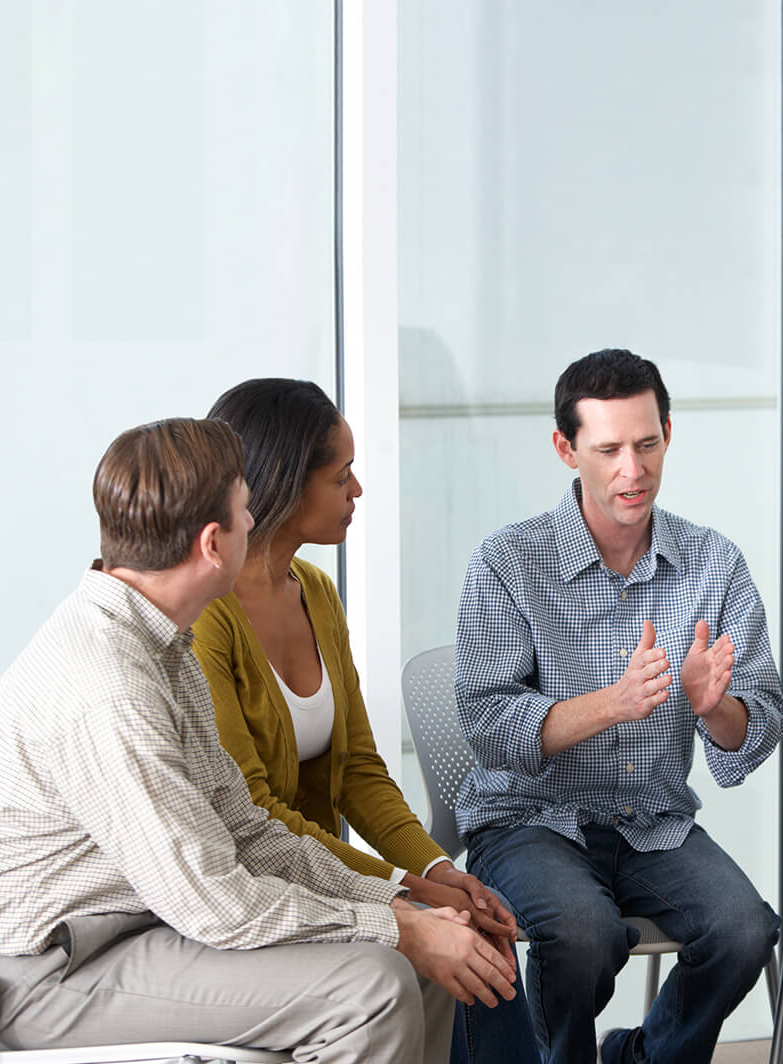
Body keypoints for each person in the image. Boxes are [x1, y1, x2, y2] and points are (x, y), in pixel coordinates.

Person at [0, 418, 516, 1064]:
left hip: (148, 930)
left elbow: (247, 831)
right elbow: (214, 901)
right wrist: (399, 926)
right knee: (375, 987)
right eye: (246, 513)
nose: (256, 524)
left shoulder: (163, 643)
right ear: (213, 544)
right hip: (56, 973)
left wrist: (400, 903)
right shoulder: (109, 689)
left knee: (424, 962)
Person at [193, 378, 537, 1064]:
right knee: (454, 935)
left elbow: (362, 775)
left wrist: (441, 868)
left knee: (476, 935)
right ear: (286, 484)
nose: (359, 492)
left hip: (328, 878)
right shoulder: (208, 618)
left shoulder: (316, 592)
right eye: (341, 476)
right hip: (262, 896)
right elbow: (254, 812)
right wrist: (409, 889)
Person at [455, 349, 783, 1064]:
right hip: (529, 819)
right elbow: (487, 726)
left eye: (646, 444)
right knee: (581, 935)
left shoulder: (714, 563)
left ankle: (638, 1059)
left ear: (668, 432)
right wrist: (613, 704)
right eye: (607, 450)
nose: (632, 470)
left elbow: (757, 726)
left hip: (652, 821)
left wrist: (713, 705)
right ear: (565, 448)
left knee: (744, 931)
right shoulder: (508, 562)